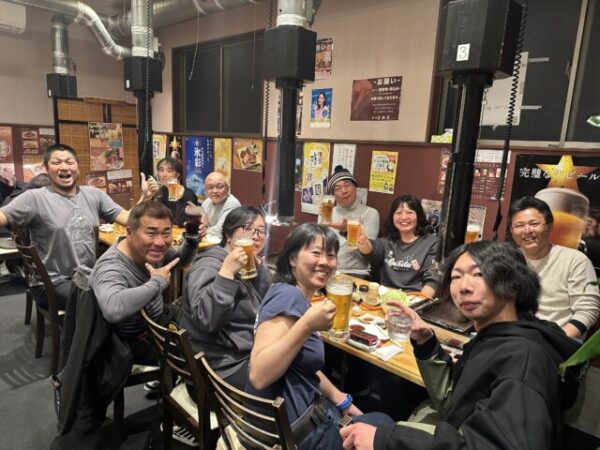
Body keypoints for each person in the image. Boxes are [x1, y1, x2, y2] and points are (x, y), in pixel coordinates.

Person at [340, 241, 581, 450]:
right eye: (456, 277)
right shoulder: (494, 336)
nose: (463, 287)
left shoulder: (523, 359)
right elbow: (457, 401)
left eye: (478, 274)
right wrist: (425, 342)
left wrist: (387, 441)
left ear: (512, 282)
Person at [247, 223, 393, 449]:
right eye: (315, 253)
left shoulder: (286, 290)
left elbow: (303, 362)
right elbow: (258, 375)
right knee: (385, 425)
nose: (325, 262)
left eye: (331, 255)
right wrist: (306, 325)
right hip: (295, 436)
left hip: (290, 423)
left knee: (376, 421)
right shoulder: (287, 297)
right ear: (292, 259)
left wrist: (342, 400)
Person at [0, 144, 156, 309]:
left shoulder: (94, 194)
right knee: (104, 301)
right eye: (56, 162)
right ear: (46, 168)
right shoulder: (34, 198)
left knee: (128, 287)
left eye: (69, 162)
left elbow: (128, 219)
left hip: (88, 276)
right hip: (53, 282)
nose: (64, 167)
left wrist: (146, 197)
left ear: (77, 167)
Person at [88, 201, 202, 364]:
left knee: (208, 322)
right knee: (207, 351)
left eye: (166, 233)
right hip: (137, 339)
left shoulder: (149, 249)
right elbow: (113, 308)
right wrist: (157, 283)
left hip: (160, 318)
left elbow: (180, 260)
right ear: (130, 232)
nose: (160, 242)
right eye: (151, 233)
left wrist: (191, 236)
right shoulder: (111, 266)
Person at [179, 206, 271, 390]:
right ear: (228, 234)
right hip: (215, 369)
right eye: (248, 228)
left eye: (261, 231)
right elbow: (207, 320)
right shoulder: (208, 265)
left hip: (241, 353)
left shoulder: (247, 266)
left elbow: (264, 304)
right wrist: (227, 273)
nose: (256, 236)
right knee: (288, 381)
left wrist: (260, 271)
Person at [508, 196, 600, 339]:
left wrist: (556, 339)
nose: (527, 230)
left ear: (550, 227)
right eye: (519, 225)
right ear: (512, 231)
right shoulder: (508, 260)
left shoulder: (575, 260)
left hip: (559, 339)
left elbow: (587, 310)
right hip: (515, 338)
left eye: (534, 224)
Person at [357, 194, 438, 297]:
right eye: (398, 213)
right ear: (392, 217)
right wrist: (363, 241)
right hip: (384, 298)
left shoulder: (431, 243)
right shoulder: (386, 242)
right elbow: (370, 249)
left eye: (409, 212)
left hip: (413, 299)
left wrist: (418, 303)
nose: (404, 217)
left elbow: (433, 280)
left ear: (418, 216)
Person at [322, 166, 380, 278]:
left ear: (355, 188)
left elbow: (367, 252)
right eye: (337, 188)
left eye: (347, 185)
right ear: (333, 195)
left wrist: (346, 231)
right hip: (328, 270)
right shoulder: (327, 214)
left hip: (356, 272)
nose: (344, 191)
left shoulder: (370, 213)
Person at [153, 156, 199, 227]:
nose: (164, 174)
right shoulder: (160, 192)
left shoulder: (188, 194)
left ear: (178, 174)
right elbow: (153, 215)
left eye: (169, 171)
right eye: (161, 170)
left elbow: (181, 222)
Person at [202, 171, 241, 241]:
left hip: (226, 244)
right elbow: (201, 225)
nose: (214, 191)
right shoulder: (207, 201)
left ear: (227, 188)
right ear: (205, 189)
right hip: (209, 242)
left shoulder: (233, 204)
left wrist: (205, 228)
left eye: (219, 186)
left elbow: (219, 232)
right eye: (210, 187)